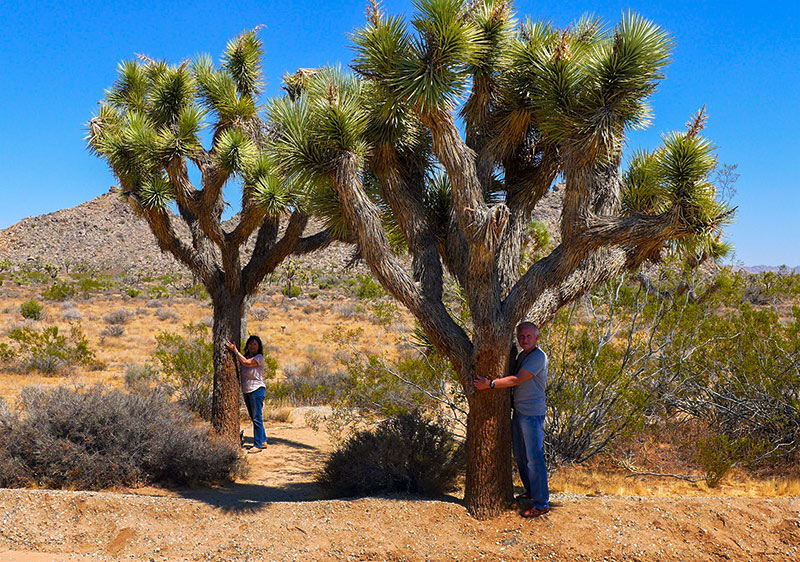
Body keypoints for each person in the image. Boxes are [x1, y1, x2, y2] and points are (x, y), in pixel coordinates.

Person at [473, 322, 550, 518]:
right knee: (522, 455)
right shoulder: (522, 355)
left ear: (537, 338)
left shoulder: (538, 357)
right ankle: (531, 491)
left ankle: (541, 503)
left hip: (532, 414)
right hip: (520, 411)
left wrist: (490, 384)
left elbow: (517, 379)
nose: (525, 339)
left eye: (529, 336)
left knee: (534, 458)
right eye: (522, 336)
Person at [225, 335, 268, 454]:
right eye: (250, 343)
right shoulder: (246, 356)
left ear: (259, 346)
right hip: (247, 390)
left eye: (255, 344)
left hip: (257, 390)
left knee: (256, 417)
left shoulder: (258, 358)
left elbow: (247, 363)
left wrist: (235, 351)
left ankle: (258, 445)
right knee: (254, 416)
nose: (252, 346)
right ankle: (263, 439)